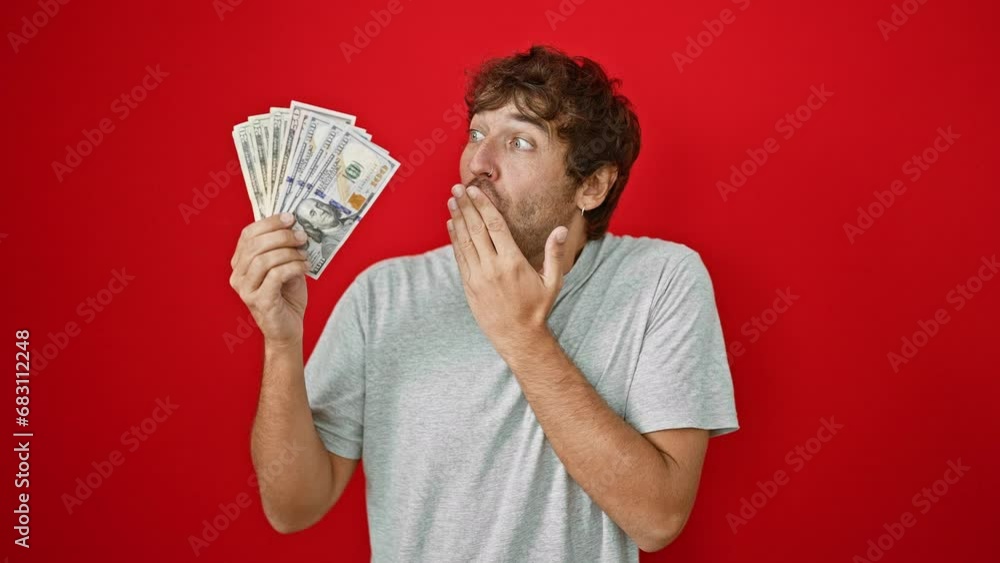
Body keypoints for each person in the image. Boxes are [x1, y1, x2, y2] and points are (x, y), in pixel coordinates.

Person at [229, 44, 739, 562]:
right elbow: (292, 508)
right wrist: (281, 341)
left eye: (519, 141)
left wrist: (522, 336)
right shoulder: (382, 295)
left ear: (593, 184)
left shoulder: (660, 280)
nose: (479, 162)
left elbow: (657, 520)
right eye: (476, 134)